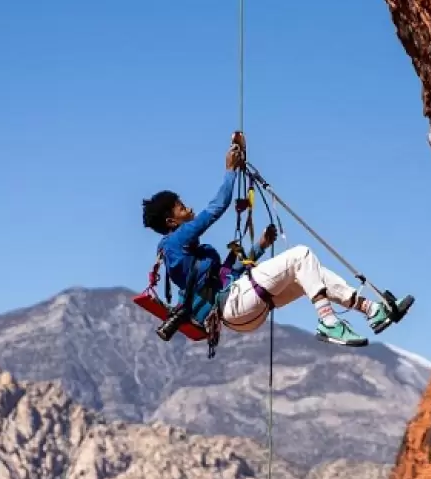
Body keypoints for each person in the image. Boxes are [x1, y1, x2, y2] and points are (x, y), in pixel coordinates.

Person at [140, 134, 402, 347]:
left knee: (312, 276)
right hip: (234, 304)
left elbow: (228, 274)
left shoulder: (186, 254)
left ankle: (372, 310)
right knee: (301, 255)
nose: (188, 209)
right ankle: (330, 323)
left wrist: (260, 246)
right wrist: (230, 171)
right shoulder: (176, 242)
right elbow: (217, 207)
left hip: (238, 313)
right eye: (181, 207)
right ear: (171, 222)